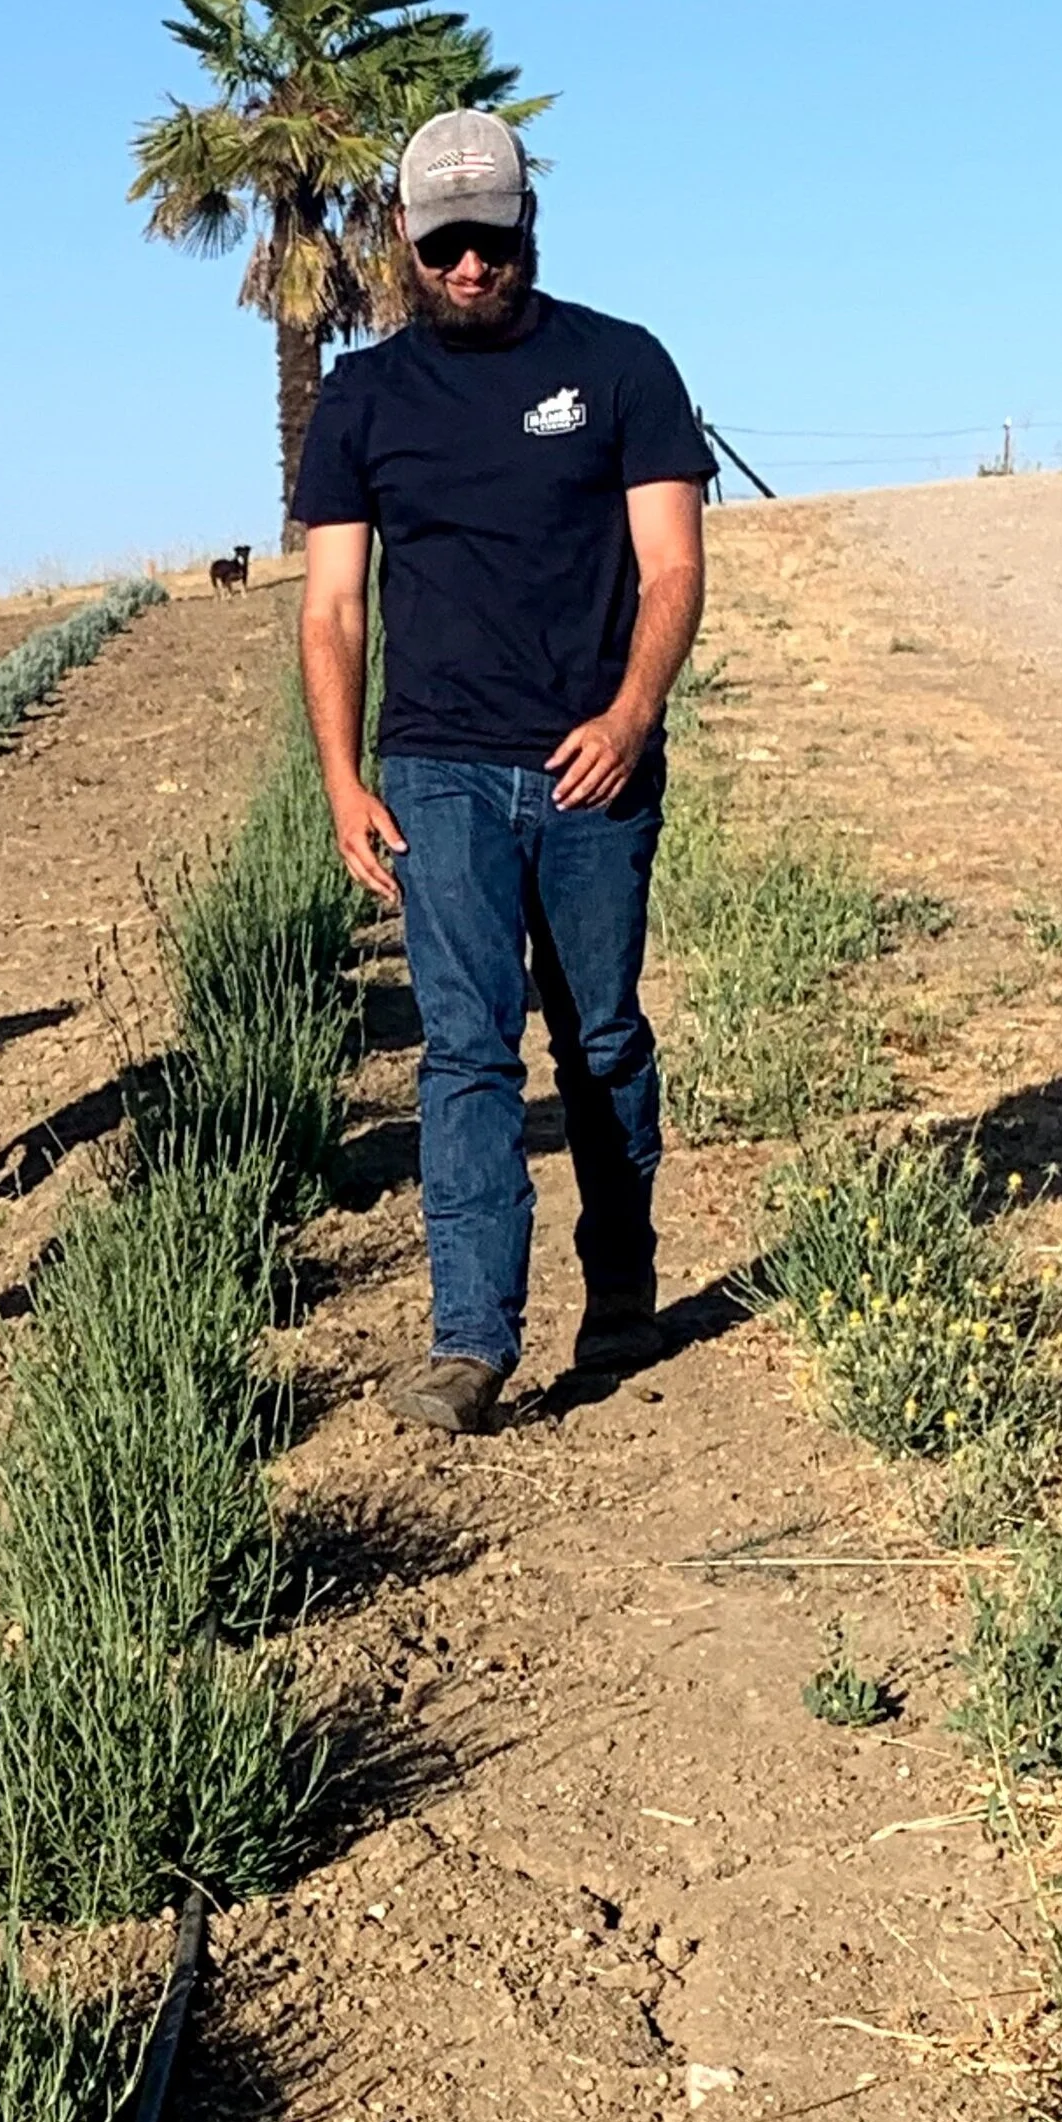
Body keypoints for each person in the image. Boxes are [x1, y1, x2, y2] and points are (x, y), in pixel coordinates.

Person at [293, 109, 713, 1435]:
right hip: (437, 775)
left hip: (595, 770)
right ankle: (469, 1342)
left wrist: (634, 711)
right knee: (468, 1054)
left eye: (491, 238)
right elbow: (334, 608)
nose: (470, 266)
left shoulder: (623, 365)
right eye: (444, 244)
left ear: (529, 222)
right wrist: (341, 778)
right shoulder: (364, 397)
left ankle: (623, 1289)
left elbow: (674, 566)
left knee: (599, 1041)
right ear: (408, 246)